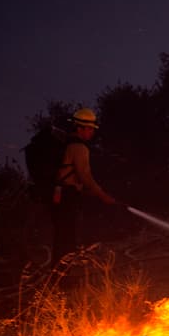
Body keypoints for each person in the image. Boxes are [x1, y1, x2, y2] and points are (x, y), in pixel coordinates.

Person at [51, 107, 117, 263]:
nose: (92, 132)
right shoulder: (79, 147)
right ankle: (63, 273)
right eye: (89, 128)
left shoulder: (67, 143)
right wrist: (103, 195)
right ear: (79, 128)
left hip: (61, 193)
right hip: (67, 195)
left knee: (62, 235)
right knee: (67, 236)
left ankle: (58, 271)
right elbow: (85, 176)